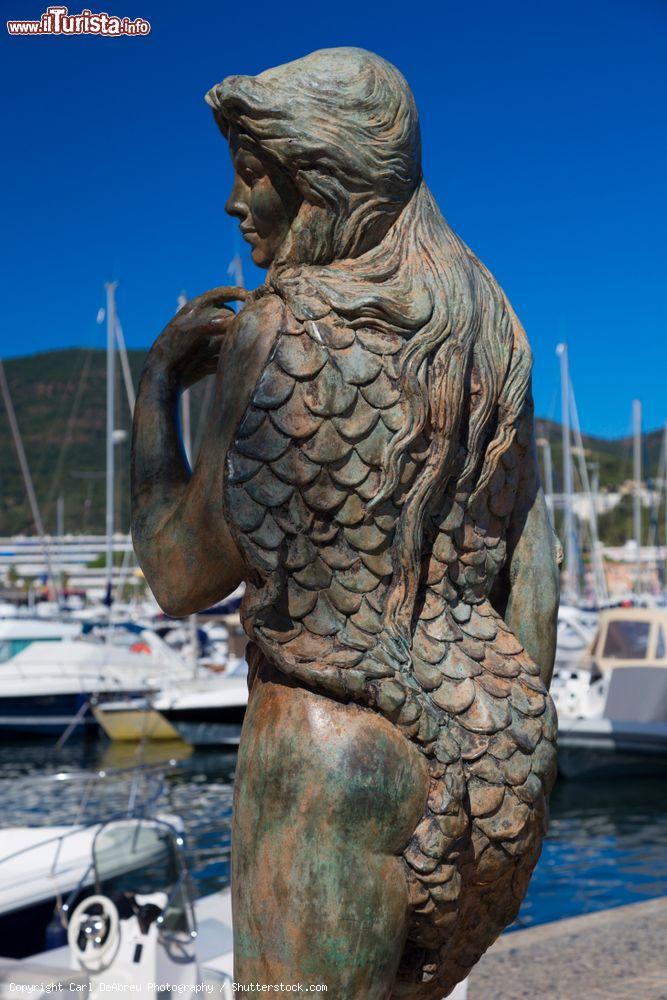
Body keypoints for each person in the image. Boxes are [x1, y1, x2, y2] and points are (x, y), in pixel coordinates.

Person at [132, 47, 558, 1000]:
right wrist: (514, 739)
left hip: (321, 750)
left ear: (321, 180)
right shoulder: (489, 334)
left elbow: (180, 575)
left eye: (253, 175)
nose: (235, 205)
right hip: (492, 746)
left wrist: (155, 390)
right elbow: (534, 567)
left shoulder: (278, 329)